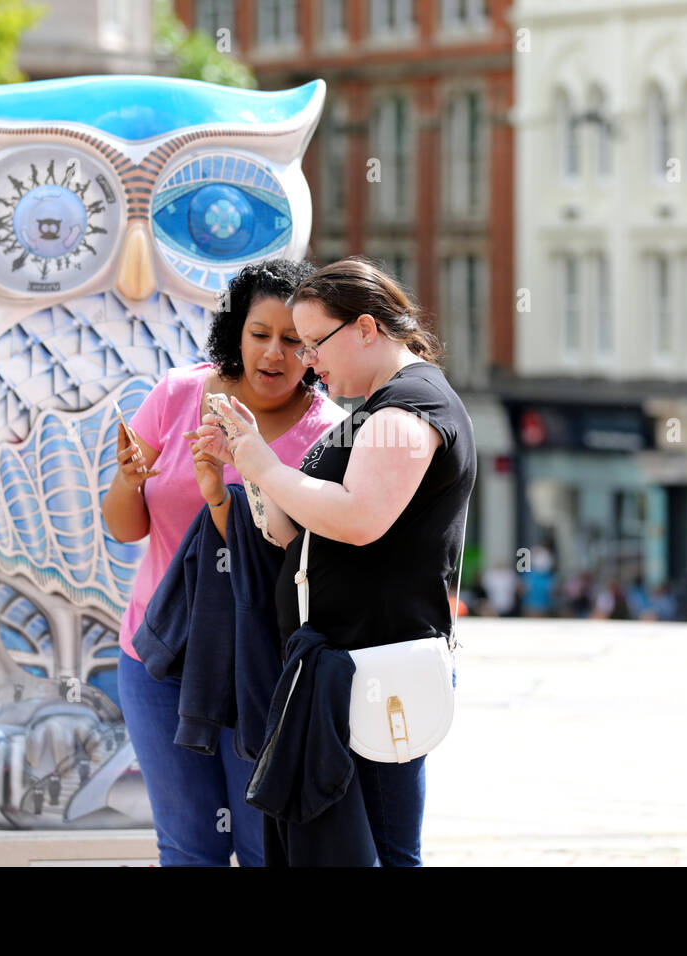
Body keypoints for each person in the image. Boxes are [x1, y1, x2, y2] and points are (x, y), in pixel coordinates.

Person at [193, 256, 477, 866]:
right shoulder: (381, 406)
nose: (308, 362)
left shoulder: (408, 408)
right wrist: (249, 456)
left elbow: (357, 518)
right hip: (345, 665)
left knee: (385, 849)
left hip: (375, 664)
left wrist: (264, 466)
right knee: (353, 846)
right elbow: (289, 525)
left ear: (367, 329)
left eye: (314, 343)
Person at [102, 259, 347, 866]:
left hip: (262, 667)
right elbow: (125, 528)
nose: (274, 353)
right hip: (159, 656)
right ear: (236, 331)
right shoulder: (179, 394)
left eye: (295, 340)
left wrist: (225, 493)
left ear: (316, 350)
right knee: (189, 846)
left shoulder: (330, 433)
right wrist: (128, 482)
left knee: (260, 845)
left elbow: (292, 558)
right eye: (260, 333)